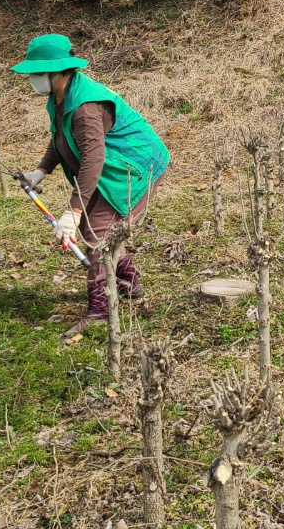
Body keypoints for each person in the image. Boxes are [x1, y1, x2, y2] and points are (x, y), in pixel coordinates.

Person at [13, 34, 171, 334]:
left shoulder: (85, 106)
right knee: (98, 228)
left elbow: (93, 160)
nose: (32, 78)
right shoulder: (59, 97)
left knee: (97, 235)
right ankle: (130, 284)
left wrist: (72, 212)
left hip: (135, 166)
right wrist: (41, 170)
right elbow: (61, 136)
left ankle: (100, 308)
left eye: (38, 73)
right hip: (109, 165)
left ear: (62, 71)